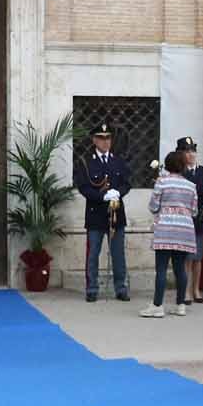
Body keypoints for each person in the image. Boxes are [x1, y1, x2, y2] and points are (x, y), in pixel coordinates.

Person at [74, 123, 131, 303]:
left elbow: (126, 183)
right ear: (94, 140)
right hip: (95, 214)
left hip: (116, 214)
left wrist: (118, 193)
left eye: (108, 138)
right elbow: (83, 187)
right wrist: (102, 196)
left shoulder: (118, 161)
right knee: (93, 254)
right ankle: (92, 288)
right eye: (101, 138)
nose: (105, 142)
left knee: (118, 255)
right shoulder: (86, 162)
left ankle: (121, 288)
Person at [145, 150, 199, 316]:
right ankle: (180, 304)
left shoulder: (162, 182)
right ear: (183, 166)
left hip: (165, 230)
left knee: (161, 268)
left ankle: (157, 306)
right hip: (184, 231)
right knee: (180, 269)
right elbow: (194, 210)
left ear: (167, 165)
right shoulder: (191, 186)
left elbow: (153, 206)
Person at [176, 136, 203, 303]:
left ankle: (196, 289)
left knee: (197, 257)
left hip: (199, 218)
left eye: (192, 151)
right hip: (184, 218)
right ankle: (185, 291)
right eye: (186, 151)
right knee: (186, 257)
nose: (190, 155)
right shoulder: (179, 172)